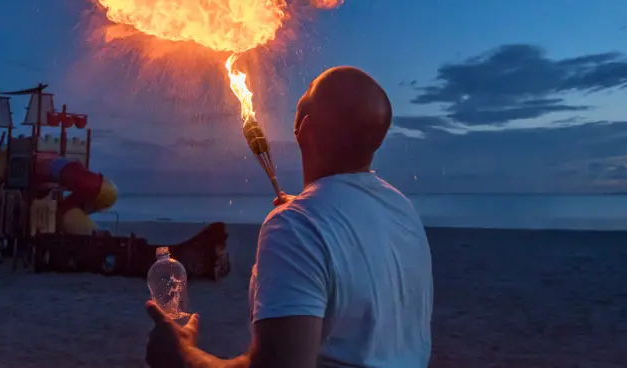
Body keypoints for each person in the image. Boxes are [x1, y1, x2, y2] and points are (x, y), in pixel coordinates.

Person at [145, 66, 434, 368]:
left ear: (304, 128)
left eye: (308, 89)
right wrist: (310, 213)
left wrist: (180, 356)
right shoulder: (403, 211)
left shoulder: (296, 226)